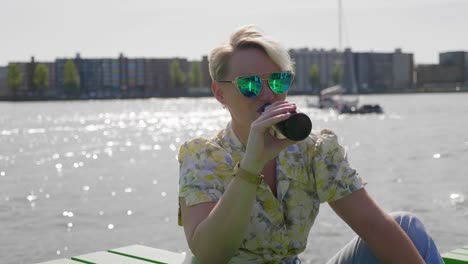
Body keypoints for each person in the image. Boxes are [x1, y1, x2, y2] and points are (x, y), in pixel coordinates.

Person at [177, 24, 443, 264]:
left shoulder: (313, 149)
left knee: (406, 225)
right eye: (250, 84)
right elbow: (210, 254)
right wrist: (251, 166)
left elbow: (372, 224)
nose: (268, 94)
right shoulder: (203, 156)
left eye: (278, 80)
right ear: (220, 93)